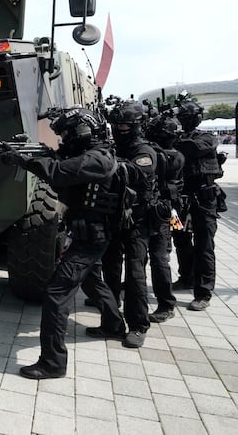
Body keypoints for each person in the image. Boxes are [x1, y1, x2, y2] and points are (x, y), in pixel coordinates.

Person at [0, 107, 125, 379]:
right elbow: (61, 164)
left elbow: (58, 172)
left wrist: (23, 160)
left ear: (83, 131)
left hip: (92, 237)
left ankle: (53, 362)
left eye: (67, 132)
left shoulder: (98, 159)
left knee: (56, 293)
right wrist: (38, 152)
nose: (65, 138)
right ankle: (114, 325)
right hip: (88, 234)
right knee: (91, 280)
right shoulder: (93, 154)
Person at [101, 100, 157, 348]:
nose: (119, 129)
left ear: (136, 126)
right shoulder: (112, 147)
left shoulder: (145, 151)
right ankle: (111, 322)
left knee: (134, 274)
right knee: (110, 270)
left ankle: (138, 325)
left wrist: (105, 164)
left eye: (124, 125)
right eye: (116, 124)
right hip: (114, 217)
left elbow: (134, 172)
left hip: (138, 220)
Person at [172, 99, 221, 310]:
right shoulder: (177, 137)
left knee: (204, 245)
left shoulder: (206, 138)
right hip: (181, 199)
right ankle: (186, 277)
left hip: (204, 199)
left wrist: (169, 141)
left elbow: (193, 148)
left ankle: (203, 292)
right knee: (180, 237)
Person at [144, 113, 185, 322]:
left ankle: (166, 304)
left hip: (158, 211)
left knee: (159, 259)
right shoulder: (177, 154)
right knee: (153, 257)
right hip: (165, 211)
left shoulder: (160, 155)